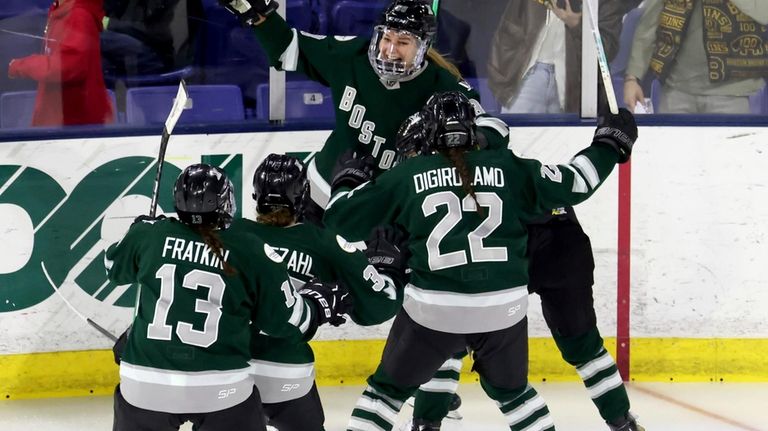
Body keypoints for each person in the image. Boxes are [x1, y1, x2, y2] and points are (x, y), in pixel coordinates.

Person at [323, 91, 638, 431]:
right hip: (504, 306)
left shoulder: (410, 174)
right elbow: (576, 181)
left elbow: (340, 219)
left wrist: (347, 182)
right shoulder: (508, 165)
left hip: (437, 307)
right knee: (515, 394)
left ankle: (426, 422)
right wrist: (610, 143)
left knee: (387, 392)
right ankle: (622, 421)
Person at [105, 163, 349, 431]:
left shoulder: (149, 235)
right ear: (225, 203)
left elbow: (113, 268)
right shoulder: (250, 249)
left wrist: (137, 230)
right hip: (221, 390)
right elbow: (285, 322)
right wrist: (318, 303)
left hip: (144, 385)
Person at [216, 0, 481, 219]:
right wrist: (255, 14)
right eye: (386, 38)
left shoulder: (443, 87)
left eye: (402, 42)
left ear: (423, 47)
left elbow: (492, 129)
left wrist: (459, 138)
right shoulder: (352, 56)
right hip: (321, 197)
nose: (389, 50)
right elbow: (287, 48)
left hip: (386, 210)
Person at [239, 153, 409, 430]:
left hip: (227, 369)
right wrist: (389, 270)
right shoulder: (323, 242)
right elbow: (378, 306)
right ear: (303, 196)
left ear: (257, 195)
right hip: (285, 372)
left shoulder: (228, 235)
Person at [487, 0, 635, 113]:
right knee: (515, 144)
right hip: (526, 75)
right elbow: (510, 24)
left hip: (574, 84)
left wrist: (578, 26)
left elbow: (606, 50)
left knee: (565, 149)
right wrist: (501, 72)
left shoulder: (608, 3)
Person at [624, 0, 768, 114]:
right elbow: (648, 27)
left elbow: (763, 13)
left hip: (733, 93)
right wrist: (632, 78)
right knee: (671, 150)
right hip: (676, 91)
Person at [7, 0, 114, 126]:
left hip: (76, 125)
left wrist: (21, 66)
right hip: (62, 119)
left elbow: (68, 65)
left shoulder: (79, 15)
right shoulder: (60, 12)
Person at [101, 0, 204, 77]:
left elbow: (164, 34)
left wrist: (111, 24)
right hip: (127, 49)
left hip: (159, 57)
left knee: (97, 37)